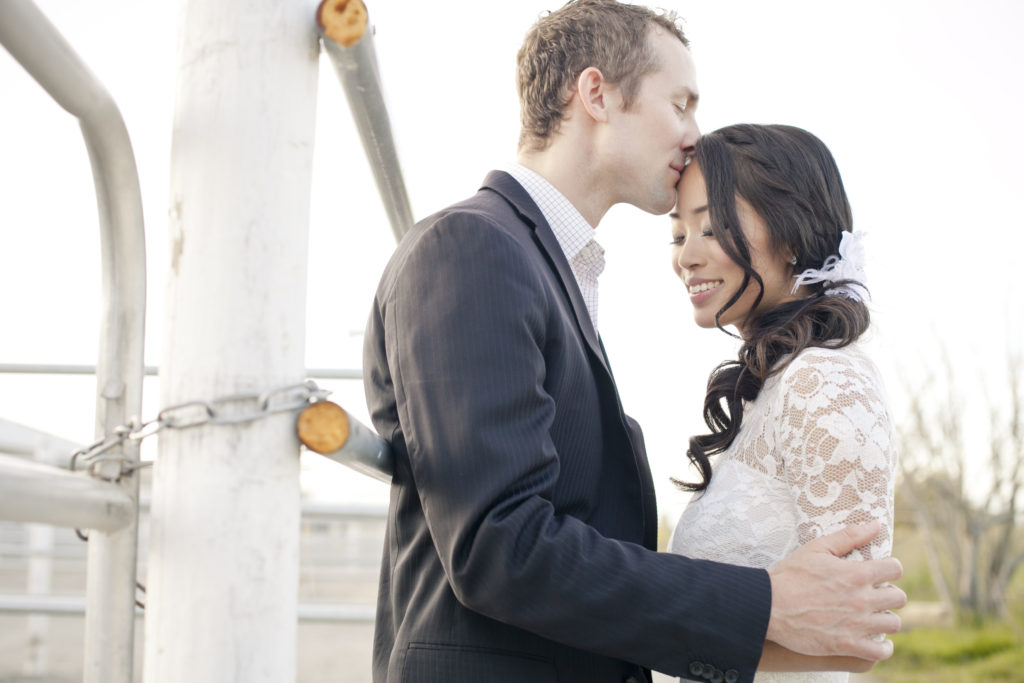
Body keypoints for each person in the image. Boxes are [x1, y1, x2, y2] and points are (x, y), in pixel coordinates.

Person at [362, 2, 905, 681]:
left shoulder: (551, 269)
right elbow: (499, 544)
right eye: (680, 104)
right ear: (597, 94)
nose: (693, 135)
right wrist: (763, 605)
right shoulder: (473, 247)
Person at [668, 123, 898, 681]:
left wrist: (653, 639)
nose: (687, 258)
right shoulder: (776, 389)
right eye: (678, 236)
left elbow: (857, 638)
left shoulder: (824, 382)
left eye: (712, 228)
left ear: (792, 235)